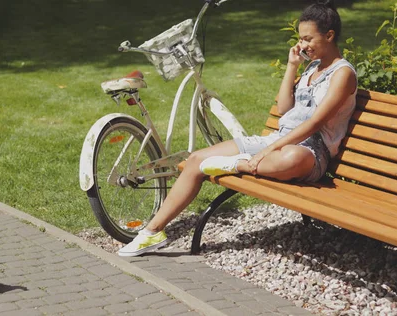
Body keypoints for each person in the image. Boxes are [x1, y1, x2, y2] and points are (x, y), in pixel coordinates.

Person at [118, 0, 358, 257]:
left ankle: (239, 164)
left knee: (291, 157)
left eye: (308, 39)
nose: (302, 45)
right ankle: (151, 233)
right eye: (300, 39)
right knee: (197, 159)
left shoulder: (342, 74)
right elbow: (285, 109)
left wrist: (268, 151)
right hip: (279, 140)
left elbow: (314, 124)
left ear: (329, 35)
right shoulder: (312, 67)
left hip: (311, 153)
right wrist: (291, 67)